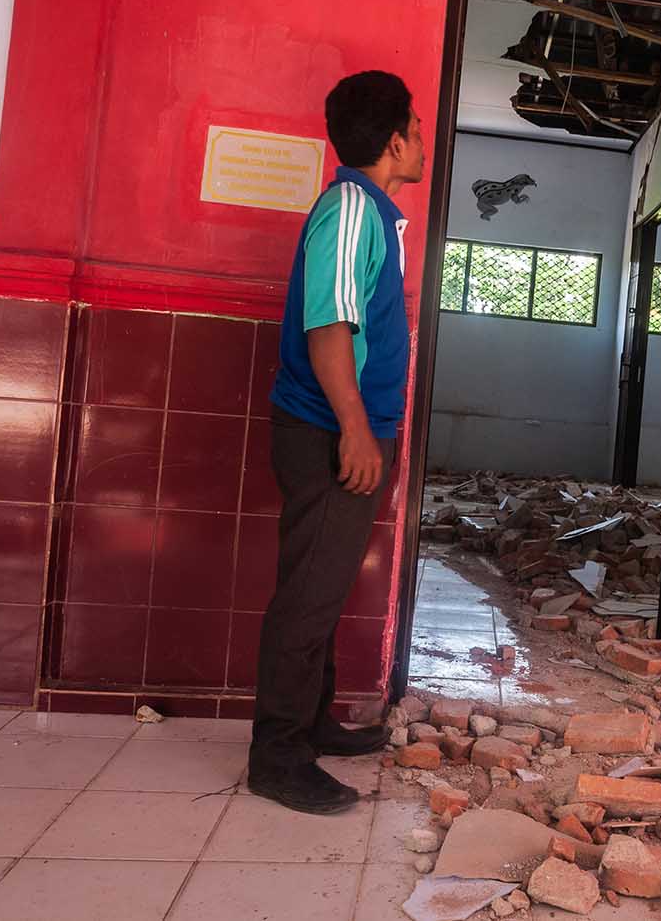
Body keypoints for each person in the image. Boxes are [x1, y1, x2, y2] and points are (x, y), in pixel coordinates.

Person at [248, 70, 423, 814]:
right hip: (327, 429)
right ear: (392, 142)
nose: (420, 143)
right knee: (308, 595)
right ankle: (277, 755)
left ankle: (310, 724)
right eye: (414, 130)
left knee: (321, 586)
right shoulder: (352, 206)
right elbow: (330, 327)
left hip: (344, 427)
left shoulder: (371, 212)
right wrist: (355, 426)